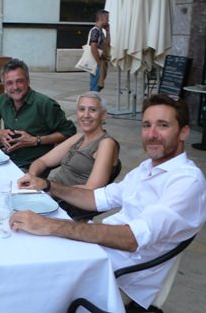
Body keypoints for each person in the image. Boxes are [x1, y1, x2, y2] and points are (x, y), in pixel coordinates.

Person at [12, 94, 206, 309]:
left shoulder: (186, 181)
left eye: (163, 125)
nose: (152, 134)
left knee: (27, 277)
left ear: (184, 132)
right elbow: (96, 198)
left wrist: (51, 226)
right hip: (100, 253)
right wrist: (48, 185)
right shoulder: (147, 168)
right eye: (146, 125)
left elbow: (132, 238)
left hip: (118, 277)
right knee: (22, 246)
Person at [19, 91, 120, 219]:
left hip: (65, 205)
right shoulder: (78, 137)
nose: (86, 115)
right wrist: (32, 177)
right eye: (81, 109)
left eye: (93, 110)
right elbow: (42, 162)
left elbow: (92, 191)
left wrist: (51, 189)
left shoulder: (106, 144)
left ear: (103, 115)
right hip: (47, 194)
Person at [0, 58, 76, 175]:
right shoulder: (3, 100)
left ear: (28, 81)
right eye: (9, 83)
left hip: (32, 166)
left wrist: (36, 140)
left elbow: (69, 132)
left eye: (19, 81)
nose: (15, 87)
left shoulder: (44, 104)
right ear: (4, 85)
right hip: (7, 159)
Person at [89, 9, 110, 92]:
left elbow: (108, 43)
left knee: (98, 85)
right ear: (102, 18)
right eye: (107, 18)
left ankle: (93, 101)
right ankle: (92, 102)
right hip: (96, 62)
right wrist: (98, 62)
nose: (108, 20)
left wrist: (108, 31)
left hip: (100, 62)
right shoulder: (95, 30)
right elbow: (93, 46)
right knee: (95, 86)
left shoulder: (100, 31)